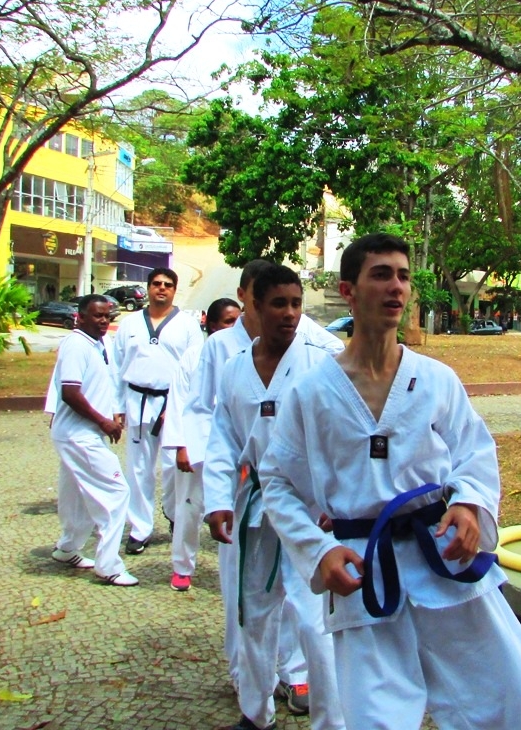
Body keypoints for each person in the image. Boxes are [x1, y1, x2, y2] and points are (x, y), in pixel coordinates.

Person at [258, 233, 521, 729]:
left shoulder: (435, 379)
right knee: (374, 718)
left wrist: (469, 504)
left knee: (509, 699)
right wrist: (318, 551)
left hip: (441, 557)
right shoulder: (312, 392)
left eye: (403, 276)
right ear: (348, 290)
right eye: (381, 274)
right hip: (365, 571)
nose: (397, 287)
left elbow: (474, 451)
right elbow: (277, 480)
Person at [182, 260, 343, 712]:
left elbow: (339, 438)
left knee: (314, 619)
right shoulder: (235, 368)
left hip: (308, 507)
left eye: (296, 304)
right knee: (253, 613)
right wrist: (218, 501)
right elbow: (223, 439)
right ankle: (255, 712)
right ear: (253, 305)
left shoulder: (320, 365)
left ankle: (331, 716)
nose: (289, 313)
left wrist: (335, 501)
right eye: (278, 304)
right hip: (254, 506)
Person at [111, 268, 202, 556]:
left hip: (173, 403)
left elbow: (196, 370)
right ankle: (140, 528)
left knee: (175, 467)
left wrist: (182, 409)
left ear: (175, 290)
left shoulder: (187, 325)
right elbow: (117, 367)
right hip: (137, 400)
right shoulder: (129, 324)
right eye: (157, 284)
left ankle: (175, 515)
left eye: (168, 285)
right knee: (138, 468)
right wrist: (117, 406)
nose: (162, 288)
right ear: (148, 288)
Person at [48, 295, 137, 586]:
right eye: (97, 315)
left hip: (83, 433)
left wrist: (112, 413)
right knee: (116, 492)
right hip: (79, 435)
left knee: (76, 495)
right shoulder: (76, 345)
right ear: (81, 316)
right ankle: (109, 565)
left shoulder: (98, 344)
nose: (103, 321)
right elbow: (70, 393)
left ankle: (67, 548)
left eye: (107, 316)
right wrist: (103, 421)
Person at [160, 297, 242, 592]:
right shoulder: (194, 356)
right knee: (190, 506)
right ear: (212, 324)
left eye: (238, 320)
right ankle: (182, 566)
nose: (234, 326)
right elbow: (179, 401)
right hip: (197, 442)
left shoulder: (245, 353)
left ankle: (236, 570)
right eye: (228, 321)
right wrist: (181, 445)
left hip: (232, 444)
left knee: (234, 507)